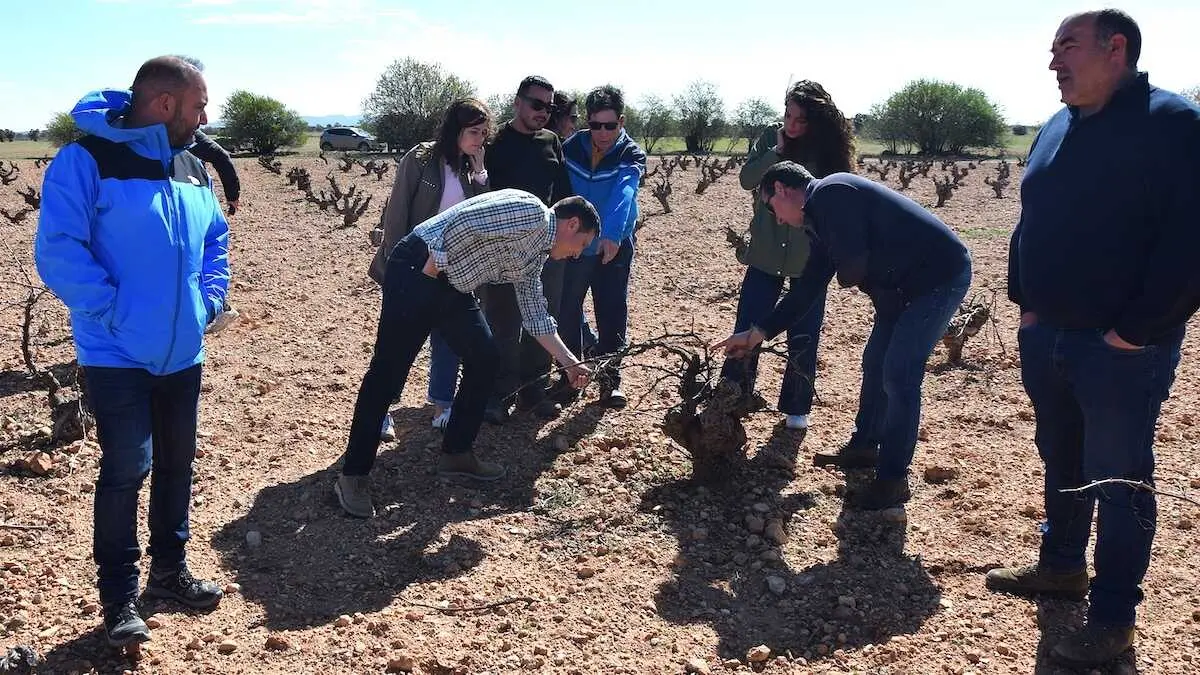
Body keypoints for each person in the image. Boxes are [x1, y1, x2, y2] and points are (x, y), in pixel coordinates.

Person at [985, 10, 1200, 668]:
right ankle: (1061, 566)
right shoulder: (1057, 125)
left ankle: (1112, 619)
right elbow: (1030, 217)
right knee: (1062, 460)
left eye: (1067, 47)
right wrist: (1026, 305)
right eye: (1052, 49)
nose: (1053, 61)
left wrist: (1134, 331)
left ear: (1116, 48)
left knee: (1119, 479)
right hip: (1048, 335)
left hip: (1122, 351)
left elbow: (1191, 240)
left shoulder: (1174, 124)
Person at [34, 55, 230, 647]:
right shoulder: (86, 160)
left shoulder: (191, 166)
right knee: (126, 469)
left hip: (183, 351)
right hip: (114, 351)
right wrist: (113, 311)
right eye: (198, 105)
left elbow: (215, 240)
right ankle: (119, 597)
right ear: (164, 103)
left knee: (177, 463)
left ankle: (169, 571)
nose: (205, 118)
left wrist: (209, 301)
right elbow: (59, 250)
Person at [716, 161, 971, 510]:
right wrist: (757, 333)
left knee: (900, 374)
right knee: (875, 363)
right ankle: (865, 446)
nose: (778, 220)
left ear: (782, 190)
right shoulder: (821, 220)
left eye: (771, 208)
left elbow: (852, 267)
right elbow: (808, 288)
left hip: (937, 280)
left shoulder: (832, 193)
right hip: (899, 288)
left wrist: (841, 269)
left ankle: (893, 480)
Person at [335, 191, 599, 519]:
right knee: (388, 373)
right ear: (572, 224)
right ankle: (353, 475)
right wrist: (434, 264)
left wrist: (570, 363)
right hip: (419, 266)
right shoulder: (531, 211)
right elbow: (467, 220)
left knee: (485, 359)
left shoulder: (535, 257)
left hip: (451, 285)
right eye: (582, 244)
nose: (577, 253)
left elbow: (535, 317)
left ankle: (457, 452)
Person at [720, 80, 854, 431]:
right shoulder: (771, 137)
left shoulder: (828, 150)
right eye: (788, 116)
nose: (791, 125)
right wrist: (775, 152)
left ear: (816, 122)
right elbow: (748, 179)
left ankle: (797, 407)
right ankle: (732, 395)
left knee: (804, 331)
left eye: (800, 120)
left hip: (808, 257)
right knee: (748, 323)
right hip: (765, 252)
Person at [369, 98, 492, 440]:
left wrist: (481, 174)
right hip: (412, 265)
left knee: (448, 340)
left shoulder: (473, 167)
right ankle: (380, 411)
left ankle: (442, 407)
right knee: (397, 342)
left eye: (484, 133)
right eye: (474, 132)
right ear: (455, 130)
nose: (480, 139)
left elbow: (483, 214)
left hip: (452, 269)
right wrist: (396, 265)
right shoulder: (421, 158)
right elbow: (397, 212)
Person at [478, 76, 575, 423]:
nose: (543, 112)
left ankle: (533, 390)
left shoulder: (552, 142)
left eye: (549, 107)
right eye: (536, 104)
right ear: (517, 102)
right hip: (501, 250)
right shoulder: (494, 142)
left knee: (542, 317)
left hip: (545, 249)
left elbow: (563, 194)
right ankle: (498, 393)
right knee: (502, 322)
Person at [557, 85, 647, 408]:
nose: (603, 133)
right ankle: (570, 378)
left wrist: (611, 234)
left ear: (621, 122)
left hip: (614, 244)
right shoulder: (571, 147)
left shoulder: (631, 154)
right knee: (567, 310)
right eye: (596, 125)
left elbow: (625, 192)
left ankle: (610, 382)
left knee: (611, 311)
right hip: (575, 246)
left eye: (610, 125)